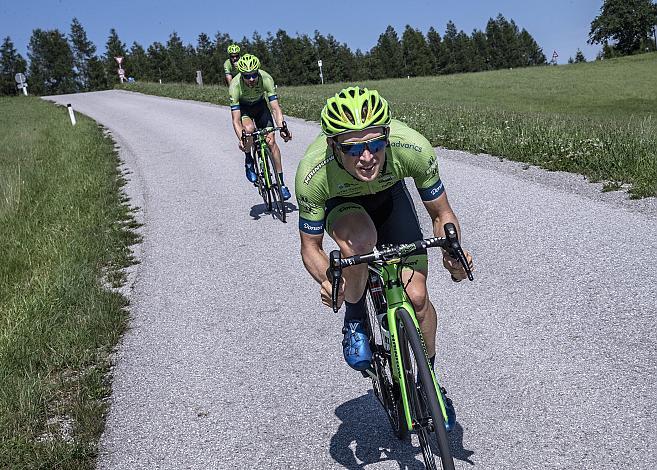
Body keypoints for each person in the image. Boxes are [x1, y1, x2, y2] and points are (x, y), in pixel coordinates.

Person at [294, 86, 473, 431]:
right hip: (345, 208)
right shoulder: (313, 173)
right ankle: (356, 316)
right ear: (333, 146)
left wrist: (453, 253)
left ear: (388, 137)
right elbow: (310, 248)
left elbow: (441, 213)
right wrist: (329, 282)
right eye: (352, 147)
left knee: (418, 297)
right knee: (360, 240)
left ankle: (430, 383)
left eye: (375, 144)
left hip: (390, 199)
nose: (367, 157)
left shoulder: (413, 147)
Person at [229, 54, 292, 199]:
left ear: (258, 72)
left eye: (254, 75)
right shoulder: (235, 85)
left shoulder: (266, 79)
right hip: (244, 109)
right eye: (247, 76)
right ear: (241, 75)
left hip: (260, 106)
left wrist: (282, 127)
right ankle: (249, 159)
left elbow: (275, 108)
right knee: (249, 130)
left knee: (271, 141)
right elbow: (236, 120)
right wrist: (242, 139)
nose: (251, 79)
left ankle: (281, 184)